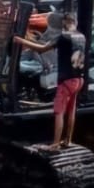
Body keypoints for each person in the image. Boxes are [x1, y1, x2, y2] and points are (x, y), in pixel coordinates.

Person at [13, 11, 86, 149]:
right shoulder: (81, 36)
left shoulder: (62, 37)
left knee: (59, 112)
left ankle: (55, 144)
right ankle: (68, 140)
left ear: (64, 23)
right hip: (78, 80)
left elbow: (41, 49)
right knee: (71, 111)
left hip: (66, 81)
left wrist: (20, 40)